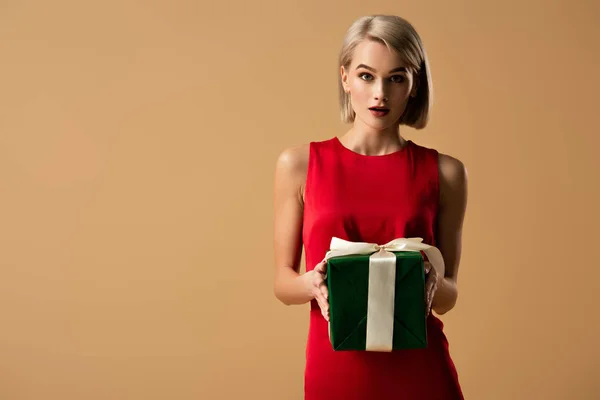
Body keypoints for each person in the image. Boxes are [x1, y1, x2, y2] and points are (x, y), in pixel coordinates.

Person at [273, 14, 468, 400]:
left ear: (414, 85)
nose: (380, 93)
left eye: (396, 77)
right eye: (366, 76)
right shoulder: (299, 165)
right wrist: (312, 283)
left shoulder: (446, 172)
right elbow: (281, 283)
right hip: (336, 370)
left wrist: (432, 284)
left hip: (421, 372)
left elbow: (449, 297)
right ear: (345, 78)